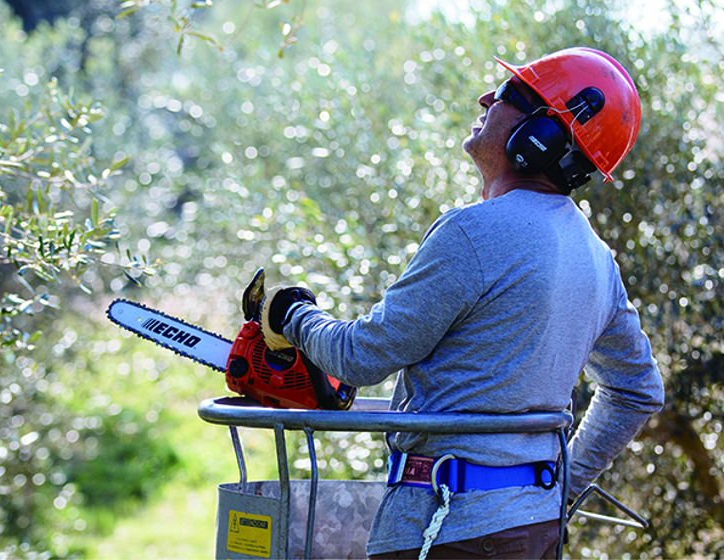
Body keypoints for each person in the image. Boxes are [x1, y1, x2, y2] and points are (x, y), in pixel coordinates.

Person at [260, 47, 664, 559]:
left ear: (541, 138)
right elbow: (638, 389)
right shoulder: (595, 256)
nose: (486, 98)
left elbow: (360, 358)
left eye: (510, 95)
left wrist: (293, 316)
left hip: (447, 528)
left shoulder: (474, 233)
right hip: (534, 526)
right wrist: (564, 484)